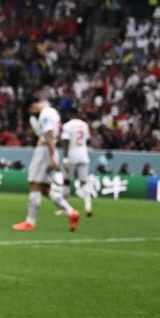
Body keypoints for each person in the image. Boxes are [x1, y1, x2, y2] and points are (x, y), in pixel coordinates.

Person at [12, 96, 79, 232]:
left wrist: (52, 155)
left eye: (31, 110)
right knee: (45, 189)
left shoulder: (45, 114)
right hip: (50, 151)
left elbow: (49, 134)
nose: (32, 113)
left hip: (45, 151)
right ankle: (71, 212)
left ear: (33, 106)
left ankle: (30, 222)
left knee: (34, 183)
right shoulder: (52, 112)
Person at [60, 111, 93, 217]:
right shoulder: (84, 125)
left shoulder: (67, 126)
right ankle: (88, 206)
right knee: (84, 182)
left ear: (70, 115)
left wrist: (65, 158)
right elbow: (87, 140)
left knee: (66, 181)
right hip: (83, 155)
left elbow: (65, 141)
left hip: (71, 155)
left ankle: (65, 208)